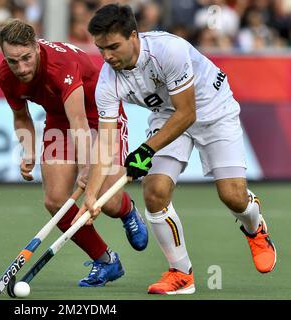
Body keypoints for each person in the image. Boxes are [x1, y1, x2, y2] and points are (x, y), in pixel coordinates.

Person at [73, 4, 276, 294]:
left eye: (113, 47)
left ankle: (255, 228)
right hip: (168, 116)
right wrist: (92, 197)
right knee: (154, 192)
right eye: (101, 48)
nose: (107, 56)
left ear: (134, 36)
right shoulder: (107, 80)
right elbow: (106, 144)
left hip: (212, 109)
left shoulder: (169, 50)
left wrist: (144, 151)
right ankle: (181, 273)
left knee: (232, 196)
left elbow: (187, 113)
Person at [0, 19, 148, 287]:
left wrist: (88, 166)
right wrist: (29, 150)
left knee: (107, 201)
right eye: (12, 61)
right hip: (59, 119)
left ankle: (127, 211)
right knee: (55, 201)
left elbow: (79, 120)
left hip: (101, 116)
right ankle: (106, 261)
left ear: (36, 47)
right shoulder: (6, 75)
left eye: (26, 58)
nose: (21, 68)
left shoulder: (59, 65)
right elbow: (21, 116)